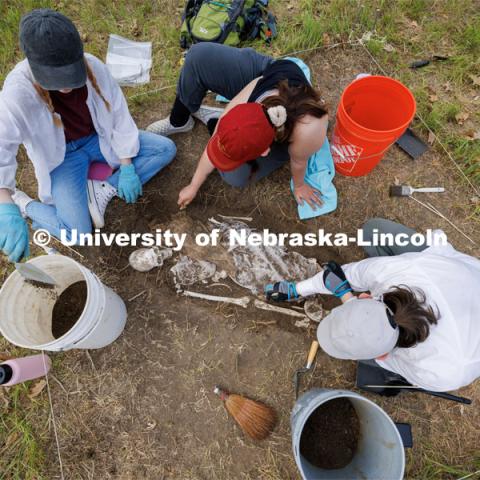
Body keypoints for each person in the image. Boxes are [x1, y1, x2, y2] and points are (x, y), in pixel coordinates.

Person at [0, 9, 176, 262]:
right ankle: (25, 204)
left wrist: (126, 167)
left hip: (97, 140)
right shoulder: (17, 92)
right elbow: (1, 147)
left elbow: (118, 113)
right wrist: (5, 205)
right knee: (78, 235)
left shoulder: (93, 65)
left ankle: (102, 189)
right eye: (56, 79)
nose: (67, 86)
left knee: (164, 149)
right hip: (62, 159)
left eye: (71, 75)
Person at [265, 218, 480, 392]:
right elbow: (341, 275)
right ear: (367, 298)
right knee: (372, 231)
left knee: (372, 373)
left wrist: (347, 296)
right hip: (455, 272)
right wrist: (297, 289)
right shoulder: (396, 272)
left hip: (462, 312)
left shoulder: (442, 373)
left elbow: (385, 359)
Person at [146, 43, 328, 210]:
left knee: (233, 175)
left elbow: (299, 161)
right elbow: (218, 137)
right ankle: (192, 120)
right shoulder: (252, 96)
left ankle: (215, 122)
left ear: (265, 151)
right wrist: (194, 185)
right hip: (269, 75)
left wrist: (299, 185)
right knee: (198, 56)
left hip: (295, 119)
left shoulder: (309, 130)